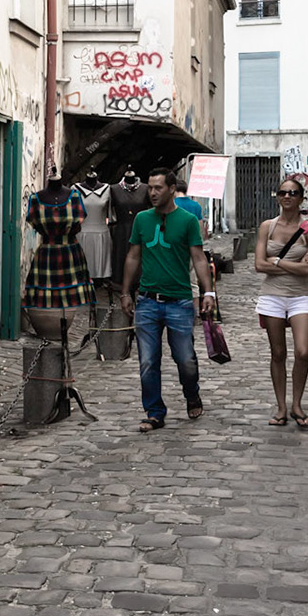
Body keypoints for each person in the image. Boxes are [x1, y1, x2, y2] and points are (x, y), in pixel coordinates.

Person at [119, 167, 217, 432]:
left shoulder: (187, 220)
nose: (152, 192)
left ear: (172, 189)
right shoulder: (142, 219)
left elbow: (198, 258)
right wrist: (126, 291)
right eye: (150, 187)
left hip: (180, 302)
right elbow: (133, 256)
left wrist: (208, 292)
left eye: (158, 187)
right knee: (148, 361)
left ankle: (191, 392)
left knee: (185, 358)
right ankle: (154, 412)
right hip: (148, 301)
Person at [253, 174, 308, 427]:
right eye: (282, 193)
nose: (287, 197)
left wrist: (278, 262)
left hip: (300, 296)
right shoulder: (267, 227)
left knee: (302, 352)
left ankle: (297, 403)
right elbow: (259, 265)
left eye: (293, 193)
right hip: (272, 297)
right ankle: (281, 407)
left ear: (302, 198)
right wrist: (294, 265)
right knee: (278, 353)